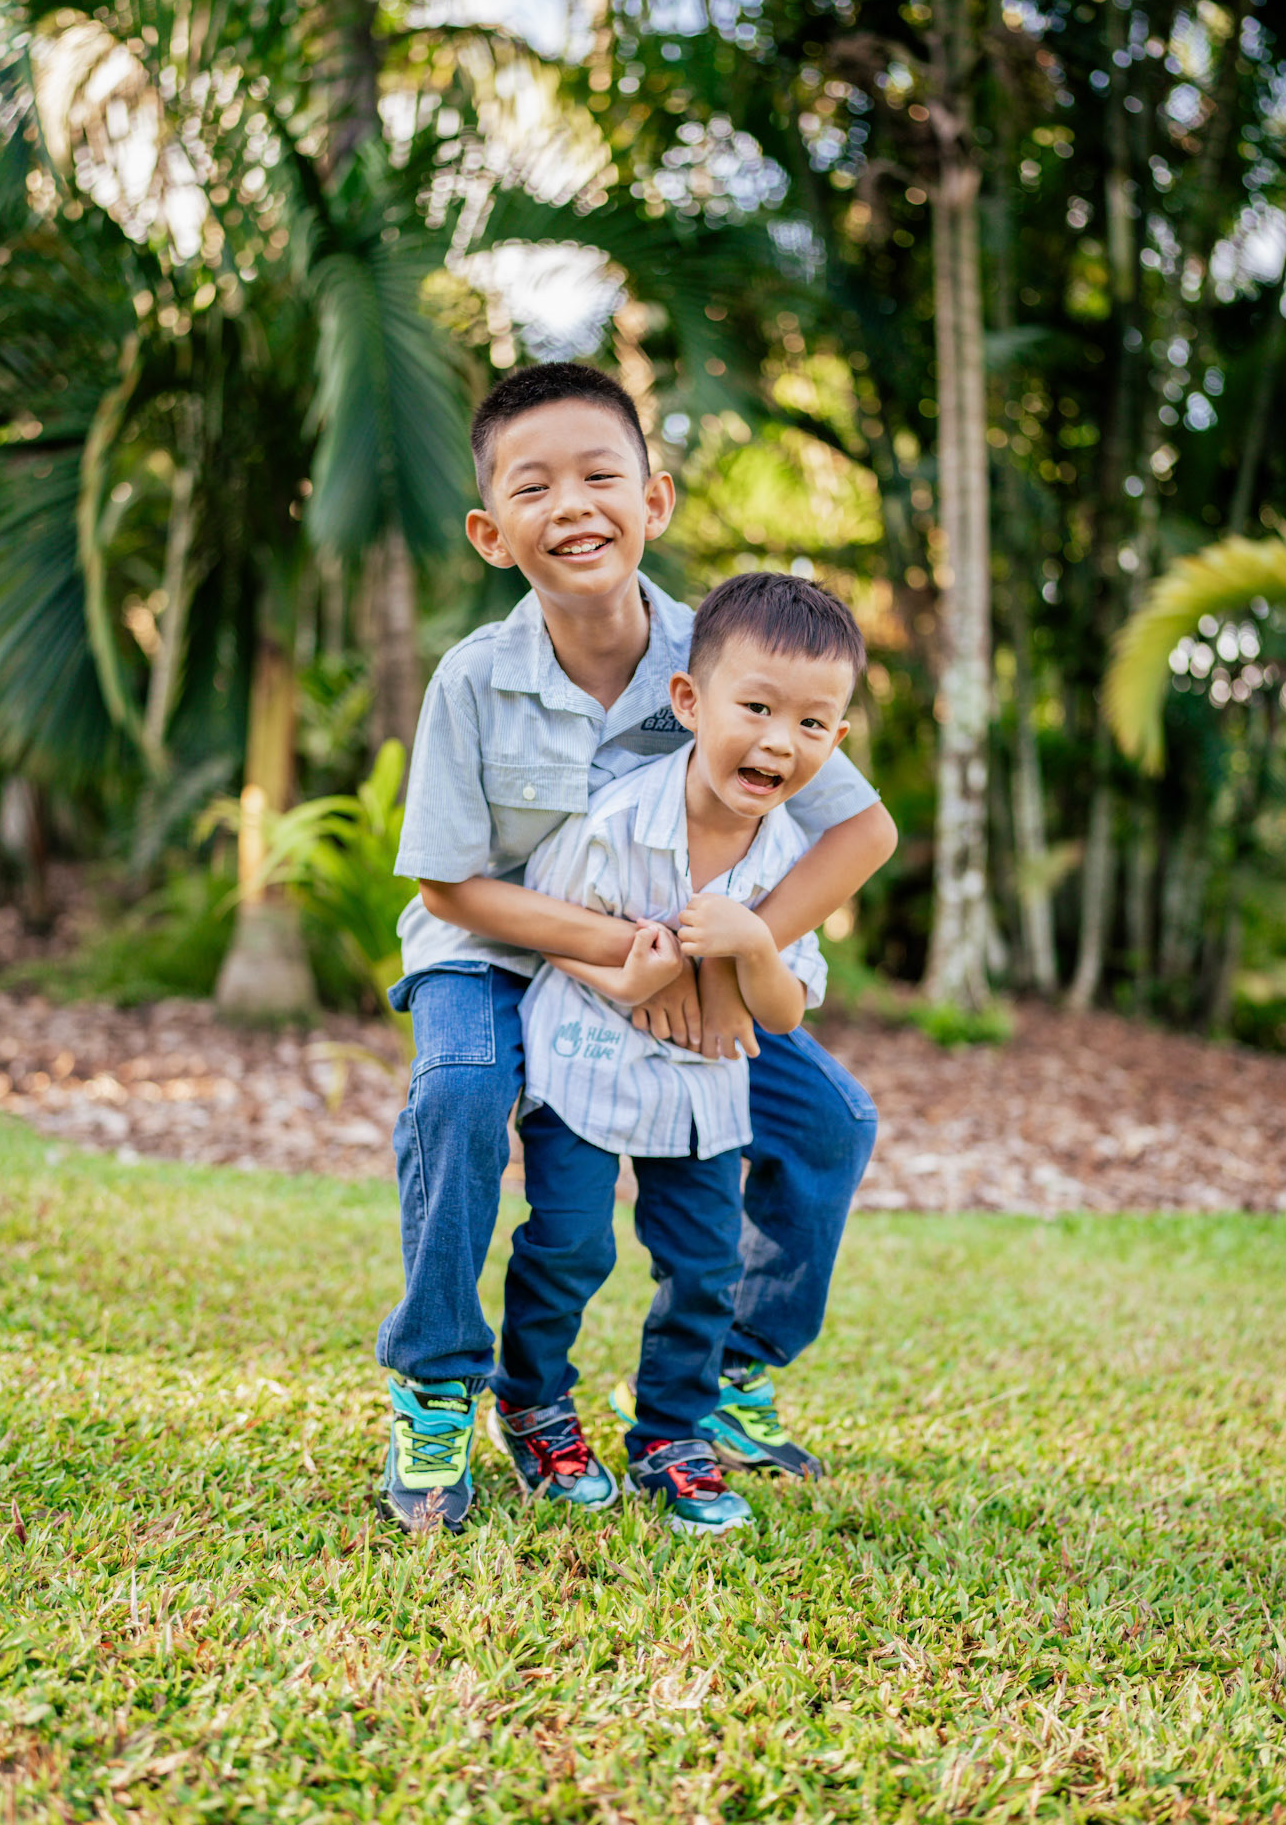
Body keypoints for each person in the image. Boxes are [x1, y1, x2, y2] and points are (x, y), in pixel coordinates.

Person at [376, 361, 897, 1534]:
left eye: (600, 476)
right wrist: (628, 953)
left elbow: (863, 830)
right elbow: (449, 882)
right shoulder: (474, 678)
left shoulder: (734, 655)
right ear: (491, 532)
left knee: (831, 1120)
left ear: (654, 500)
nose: (572, 505)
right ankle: (440, 1385)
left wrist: (732, 959)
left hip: (683, 965)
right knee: (459, 1093)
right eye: (533, 486)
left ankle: (721, 1376)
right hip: (497, 947)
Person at [488, 571, 865, 1534]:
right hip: (582, 1061)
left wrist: (753, 945)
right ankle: (531, 1403)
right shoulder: (616, 821)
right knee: (569, 1245)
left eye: (811, 724)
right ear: (688, 702)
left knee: (703, 1266)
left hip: (702, 1093)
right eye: (756, 708)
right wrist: (628, 976)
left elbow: (782, 1013)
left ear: (835, 742)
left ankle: (671, 1434)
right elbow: (551, 927)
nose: (778, 741)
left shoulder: (790, 861)